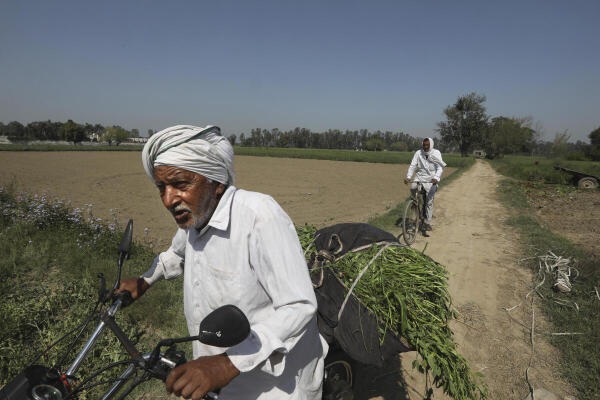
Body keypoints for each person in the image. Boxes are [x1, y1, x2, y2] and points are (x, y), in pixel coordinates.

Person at [116, 124, 327, 400]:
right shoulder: (194, 220)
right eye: (161, 187)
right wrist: (144, 280)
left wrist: (226, 364)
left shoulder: (259, 216)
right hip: (214, 378)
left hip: (275, 387)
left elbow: (299, 306)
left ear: (215, 183)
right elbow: (176, 254)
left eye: (180, 184)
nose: (168, 200)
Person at [403, 137, 446, 231]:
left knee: (429, 201)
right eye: (424, 145)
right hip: (420, 176)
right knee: (413, 187)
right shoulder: (418, 153)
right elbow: (413, 165)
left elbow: (440, 168)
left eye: (427, 145)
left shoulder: (436, 153)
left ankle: (427, 222)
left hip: (432, 178)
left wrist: (436, 178)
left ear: (431, 145)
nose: (425, 146)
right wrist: (408, 177)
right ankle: (414, 203)